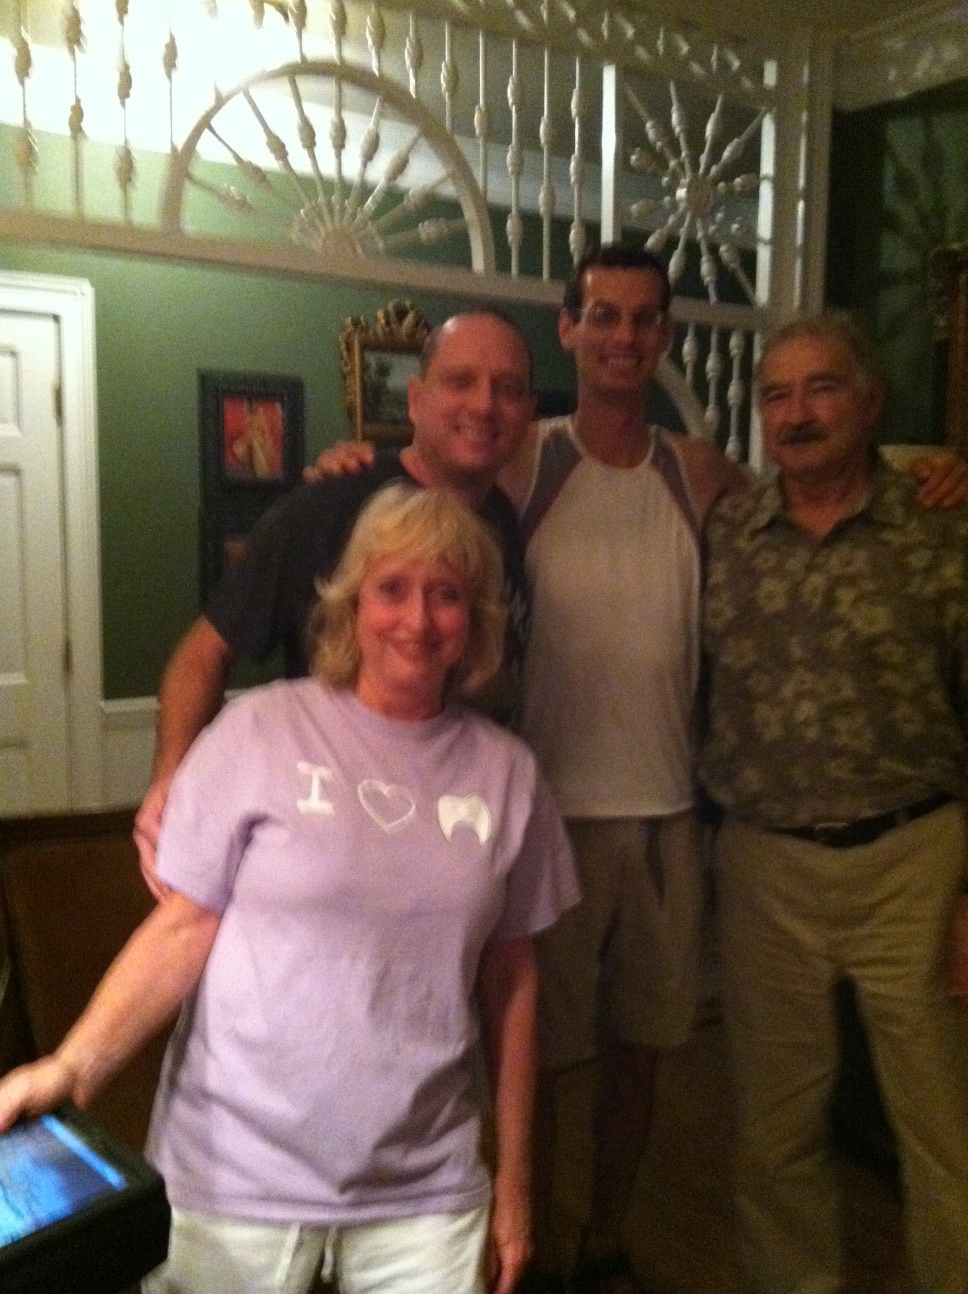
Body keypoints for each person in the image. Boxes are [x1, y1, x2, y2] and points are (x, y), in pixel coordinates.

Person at [309, 246, 968, 1294]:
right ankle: (530, 1240)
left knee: (642, 1053)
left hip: (681, 818)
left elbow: (824, 497)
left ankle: (606, 1235)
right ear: (569, 331)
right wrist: (353, 460)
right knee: (540, 1060)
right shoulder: (527, 459)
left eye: (643, 320)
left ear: (663, 337)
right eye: (601, 318)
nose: (623, 338)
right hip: (551, 818)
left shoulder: (704, 477)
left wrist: (927, 471)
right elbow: (433, 482)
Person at [0, 484, 580, 1294]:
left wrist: (515, 1186)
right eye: (392, 589)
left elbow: (513, 983)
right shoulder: (257, 731)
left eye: (447, 595)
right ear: (351, 605)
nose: (417, 619)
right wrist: (72, 1068)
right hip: (232, 1177)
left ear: (476, 622)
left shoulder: (508, 776)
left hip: (423, 1192)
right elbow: (183, 927)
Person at [699, 313, 968, 1294]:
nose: (796, 413)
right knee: (774, 1132)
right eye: (775, 394)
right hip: (764, 869)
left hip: (914, 863)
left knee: (942, 1130)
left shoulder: (941, 531)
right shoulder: (728, 530)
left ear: (868, 401)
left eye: (820, 388)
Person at [134, 310, 536, 896]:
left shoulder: (504, 521)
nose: (484, 405)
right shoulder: (326, 507)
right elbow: (203, 652)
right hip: (335, 846)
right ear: (417, 400)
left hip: (462, 844)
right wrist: (171, 778)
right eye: (460, 381)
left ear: (528, 413)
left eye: (509, 389)